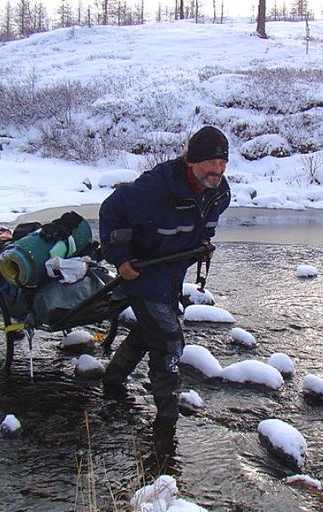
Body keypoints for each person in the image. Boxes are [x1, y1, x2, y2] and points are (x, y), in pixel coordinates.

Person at [99, 125, 231, 436]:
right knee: (170, 339)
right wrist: (121, 258)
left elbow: (204, 227)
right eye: (211, 163)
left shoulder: (219, 193)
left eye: (223, 163)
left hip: (172, 270)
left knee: (150, 332)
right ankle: (166, 424)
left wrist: (203, 247)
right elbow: (111, 211)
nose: (218, 170)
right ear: (191, 161)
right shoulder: (156, 188)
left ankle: (112, 382)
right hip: (143, 271)